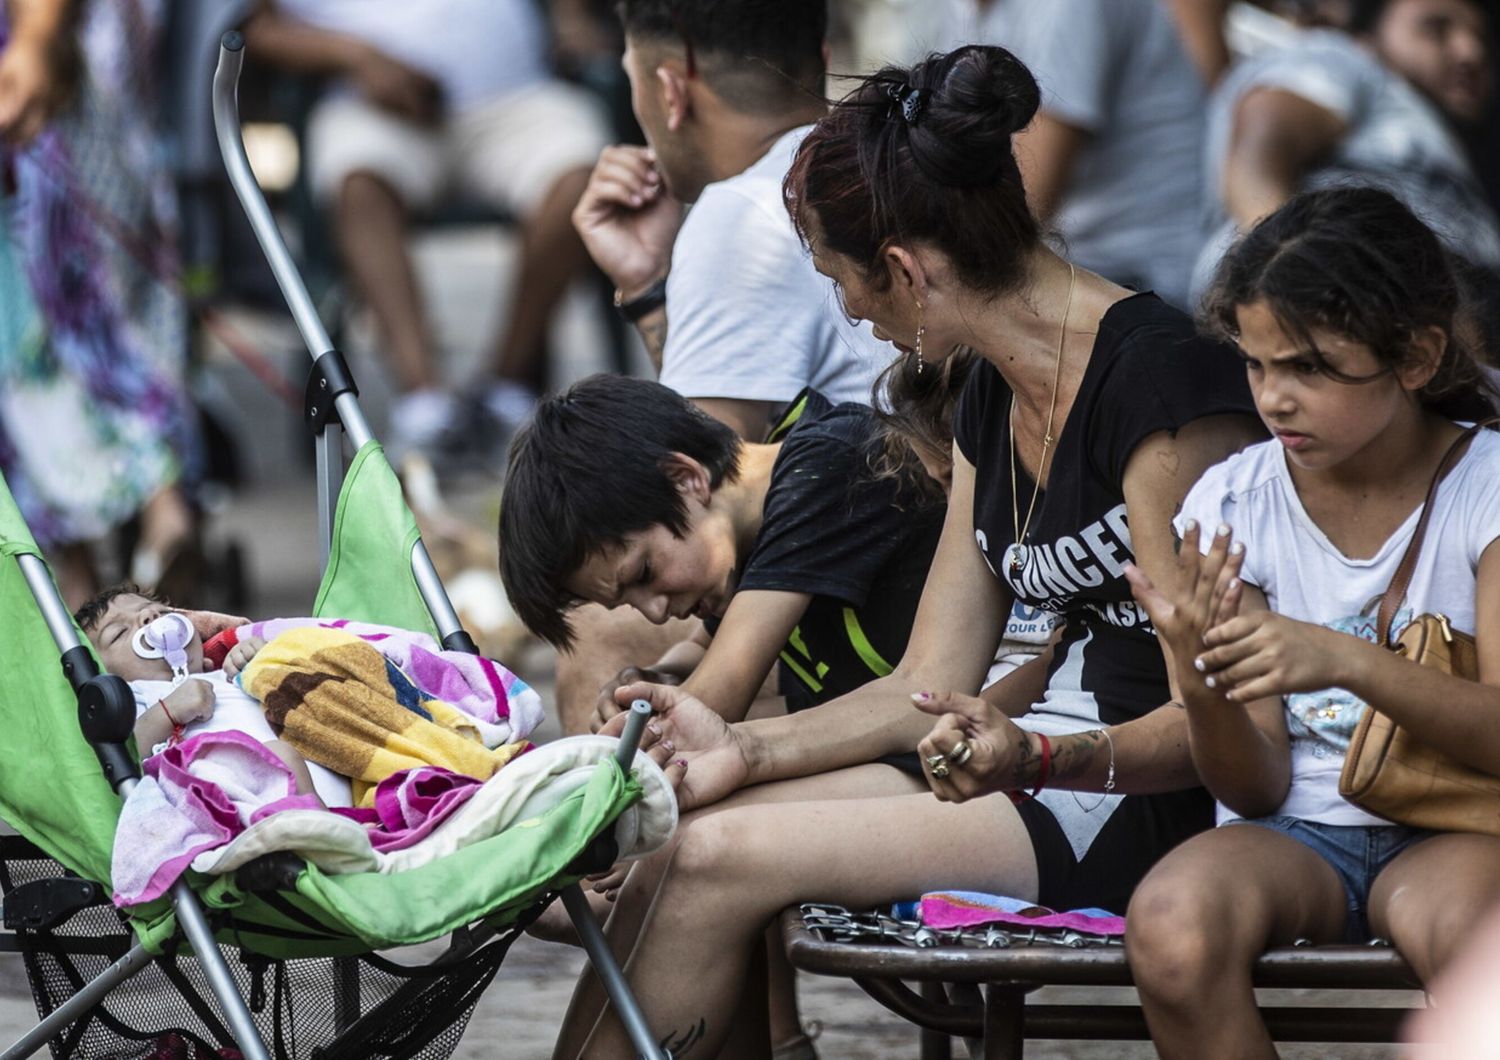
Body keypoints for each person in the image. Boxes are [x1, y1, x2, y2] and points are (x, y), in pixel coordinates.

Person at [559, 45, 1265, 1058]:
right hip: (1026, 754)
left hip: (1143, 791)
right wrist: (740, 748)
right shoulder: (991, 396)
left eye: (844, 284)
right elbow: (926, 681)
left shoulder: (1159, 396)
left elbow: (1224, 716)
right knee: (679, 835)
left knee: (712, 860)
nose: (851, 313)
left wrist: (1042, 754)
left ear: (902, 269)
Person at [1123, 187, 1500, 1058]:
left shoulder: (1485, 489)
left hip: (1460, 826)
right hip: (1290, 832)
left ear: (1416, 356)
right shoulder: (1234, 503)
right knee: (1172, 930)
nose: (1275, 399)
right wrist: (1203, 687)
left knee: (1478, 954)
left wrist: (1342, 659)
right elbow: (1256, 788)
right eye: (1257, 366)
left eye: (1311, 369)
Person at [558, 0, 892, 745]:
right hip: (986, 567)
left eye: (632, 82)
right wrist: (650, 286)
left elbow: (694, 485)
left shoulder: (742, 213)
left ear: (670, 89)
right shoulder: (880, 155)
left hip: (911, 605)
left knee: (602, 630)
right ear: (820, 53)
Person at [242, 0, 609, 457]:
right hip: (371, 103)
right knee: (357, 185)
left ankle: (503, 392)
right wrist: (355, 55)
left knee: (588, 179)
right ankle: (425, 406)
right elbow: (254, 28)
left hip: (517, 99)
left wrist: (570, 17)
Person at [500, 374, 946, 746]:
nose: (655, 612)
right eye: (628, 601)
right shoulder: (742, 531)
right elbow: (701, 649)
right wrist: (656, 678)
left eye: (644, 574)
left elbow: (713, 701)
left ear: (685, 479)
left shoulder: (827, 470)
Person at [0, 0, 202, 608]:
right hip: (73, 83)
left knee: (42, 322)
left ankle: (76, 568)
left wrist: (35, 36)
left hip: (38, 84)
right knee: (93, 313)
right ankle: (159, 505)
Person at [1192, 0, 1500, 302]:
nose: (1470, 52)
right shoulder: (1343, 58)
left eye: (1483, 41)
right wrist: (1295, 276)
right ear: (1368, 36)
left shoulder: (1456, 146)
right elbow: (1258, 156)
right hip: (1320, 304)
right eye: (1436, 28)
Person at [931, 0, 1213, 308]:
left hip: (1144, 278)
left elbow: (1022, 204)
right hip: (1081, 257)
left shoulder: (1068, 7)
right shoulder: (967, 7)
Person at [76, 586, 340, 807]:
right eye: (119, 633)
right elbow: (120, 757)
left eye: (161, 612)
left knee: (287, 752)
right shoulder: (133, 701)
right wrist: (168, 711)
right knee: (281, 757)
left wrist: (262, 660)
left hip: (323, 788)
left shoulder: (227, 673)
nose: (149, 616)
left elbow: (302, 696)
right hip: (234, 806)